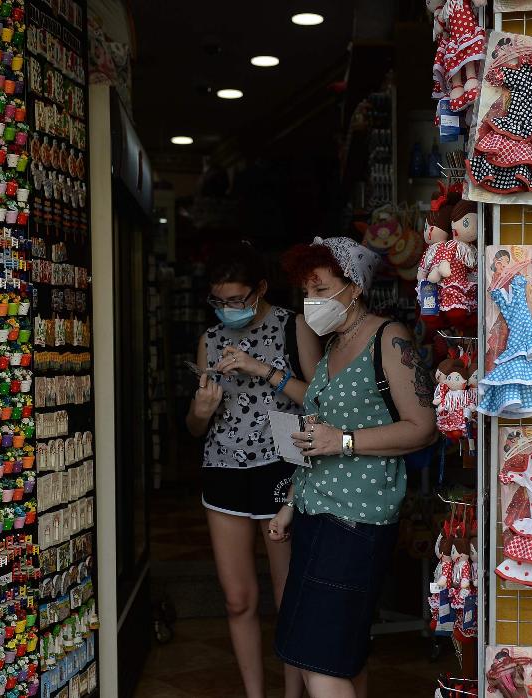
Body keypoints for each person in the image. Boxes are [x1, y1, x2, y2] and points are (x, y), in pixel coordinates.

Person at [269, 237, 438, 698]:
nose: (312, 302)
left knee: (318, 662)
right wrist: (290, 504)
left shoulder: (389, 338)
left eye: (321, 289)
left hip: (354, 521)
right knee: (338, 656)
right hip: (315, 513)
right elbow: (318, 433)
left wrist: (343, 441)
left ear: (354, 287)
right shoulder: (332, 348)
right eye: (307, 292)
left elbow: (423, 428)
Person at [185, 241, 318, 698]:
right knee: (238, 599)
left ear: (260, 289)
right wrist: (201, 410)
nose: (228, 310)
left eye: (238, 300)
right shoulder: (210, 339)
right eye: (219, 302)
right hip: (223, 468)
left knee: (289, 601)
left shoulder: (291, 327)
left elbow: (319, 402)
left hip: (282, 465)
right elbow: (195, 426)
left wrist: (262, 369)